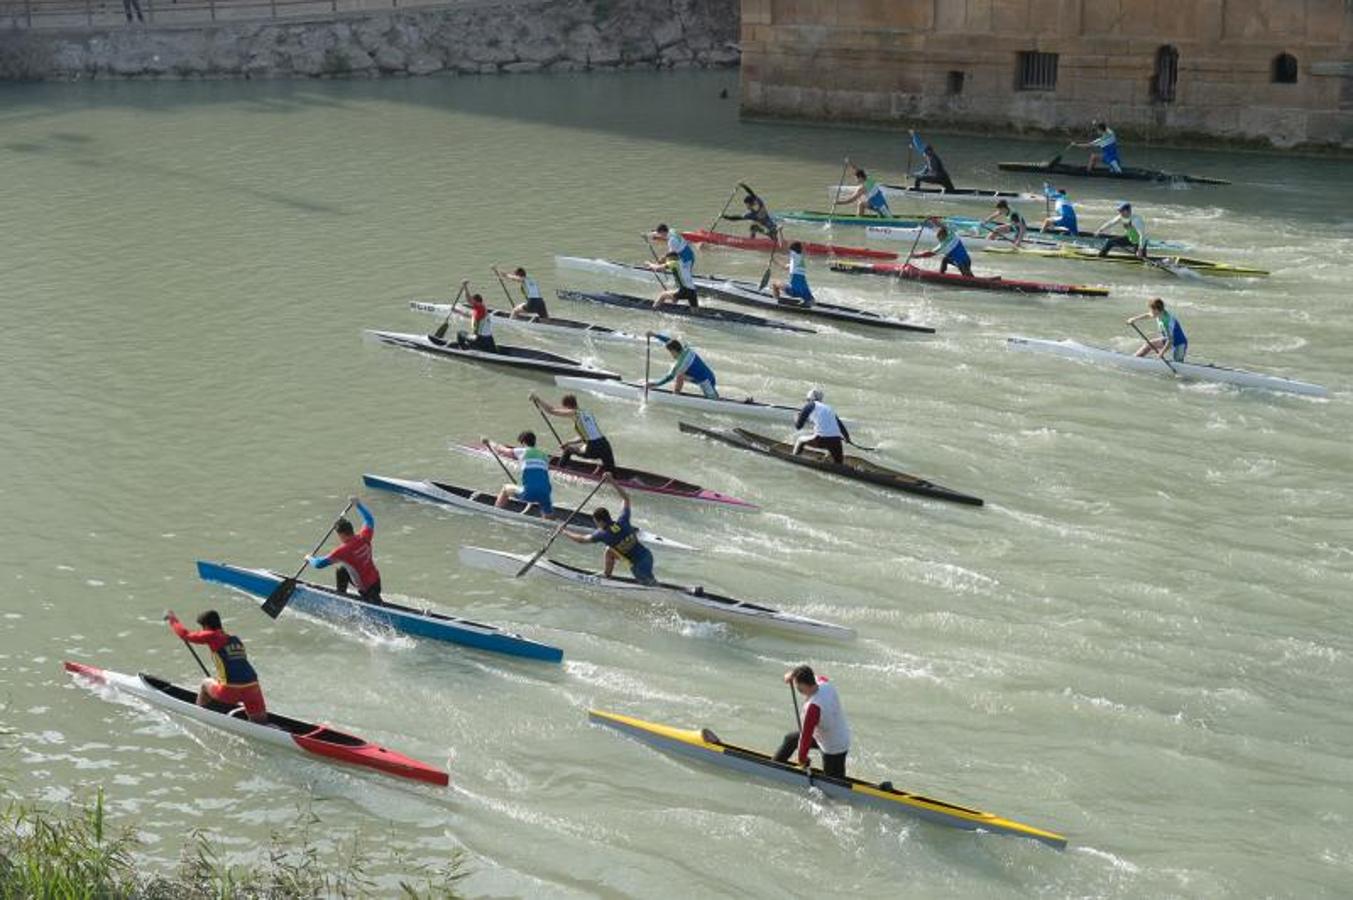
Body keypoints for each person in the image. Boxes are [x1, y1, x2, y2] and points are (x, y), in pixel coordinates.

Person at [165, 609, 267, 723]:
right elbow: (237, 666)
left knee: (205, 683)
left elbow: (185, 634)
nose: (203, 631)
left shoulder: (212, 635)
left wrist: (172, 619)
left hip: (230, 691)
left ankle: (199, 716)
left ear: (207, 626)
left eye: (202, 628)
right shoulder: (236, 640)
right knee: (260, 722)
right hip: (253, 687)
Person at [562, 476, 657, 585]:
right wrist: (612, 480)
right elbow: (626, 498)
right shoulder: (623, 520)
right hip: (647, 556)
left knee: (651, 586)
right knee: (609, 551)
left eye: (596, 522)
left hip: (638, 566)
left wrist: (564, 532)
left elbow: (581, 540)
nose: (596, 524)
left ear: (601, 522)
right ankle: (606, 576)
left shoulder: (603, 534)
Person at [773, 664, 851, 778]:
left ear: (804, 685)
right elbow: (808, 673)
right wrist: (792, 674)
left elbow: (806, 738)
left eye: (797, 685)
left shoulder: (813, 708)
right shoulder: (824, 683)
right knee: (791, 739)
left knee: (832, 784)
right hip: (839, 735)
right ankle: (773, 767)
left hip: (833, 747)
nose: (797, 688)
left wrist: (802, 760)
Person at [307, 496, 382, 604]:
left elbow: (319, 564)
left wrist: (309, 558)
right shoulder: (364, 536)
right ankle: (341, 597)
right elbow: (369, 519)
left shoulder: (343, 551)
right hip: (376, 582)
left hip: (365, 588)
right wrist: (358, 505)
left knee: (343, 570)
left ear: (341, 534)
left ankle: (342, 603)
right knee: (342, 570)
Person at [531, 392, 616, 473]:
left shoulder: (574, 413)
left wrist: (538, 399)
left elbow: (552, 410)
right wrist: (568, 442)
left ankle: (559, 470)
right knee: (611, 471)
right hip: (605, 445)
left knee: (568, 450)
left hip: (593, 447)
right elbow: (585, 436)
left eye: (564, 408)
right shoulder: (588, 412)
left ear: (567, 406)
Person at [485, 431, 554, 516]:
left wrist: (489, 442)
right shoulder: (544, 456)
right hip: (546, 493)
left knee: (505, 488)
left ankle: (495, 513)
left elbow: (501, 450)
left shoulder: (523, 451)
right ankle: (547, 517)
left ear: (524, 442)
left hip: (529, 493)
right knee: (547, 515)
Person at [792, 388, 851, 464]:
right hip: (836, 441)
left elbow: (798, 426)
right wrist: (847, 438)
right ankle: (832, 463)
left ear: (810, 399)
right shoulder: (829, 408)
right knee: (839, 463)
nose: (807, 402)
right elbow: (840, 426)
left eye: (807, 400)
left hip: (821, 439)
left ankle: (794, 459)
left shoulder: (810, 405)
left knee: (800, 440)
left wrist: (796, 416)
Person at [648, 335, 718, 398]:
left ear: (673, 351)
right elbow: (670, 342)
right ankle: (676, 395)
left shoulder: (681, 364)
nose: (671, 354)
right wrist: (654, 335)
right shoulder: (686, 349)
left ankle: (716, 399)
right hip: (708, 375)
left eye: (670, 352)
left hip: (705, 381)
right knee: (680, 376)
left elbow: (669, 377)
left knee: (714, 401)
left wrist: (656, 384)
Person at [1127, 298, 1188, 362]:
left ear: (1156, 310)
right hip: (1168, 339)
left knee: (1178, 363)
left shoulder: (1165, 322)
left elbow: (1170, 341)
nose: (1150, 312)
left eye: (1151, 310)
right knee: (1149, 344)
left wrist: (1162, 352)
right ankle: (1134, 359)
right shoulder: (1160, 313)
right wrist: (1134, 319)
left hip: (1179, 344)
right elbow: (1148, 315)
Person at [771, 241, 814, 306]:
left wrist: (780, 232)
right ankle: (809, 301)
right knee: (810, 300)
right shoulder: (800, 262)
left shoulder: (794, 255)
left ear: (792, 250)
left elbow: (784, 246)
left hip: (794, 291)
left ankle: (775, 302)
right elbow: (785, 267)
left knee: (774, 283)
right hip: (805, 292)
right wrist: (774, 261)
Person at [455, 287, 498, 352]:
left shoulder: (480, 309)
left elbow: (468, 299)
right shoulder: (481, 309)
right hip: (489, 339)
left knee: (460, 333)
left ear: (478, 302)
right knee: (494, 352)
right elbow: (470, 315)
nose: (472, 303)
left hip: (480, 339)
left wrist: (465, 287)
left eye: (473, 302)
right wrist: (457, 311)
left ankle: (464, 350)